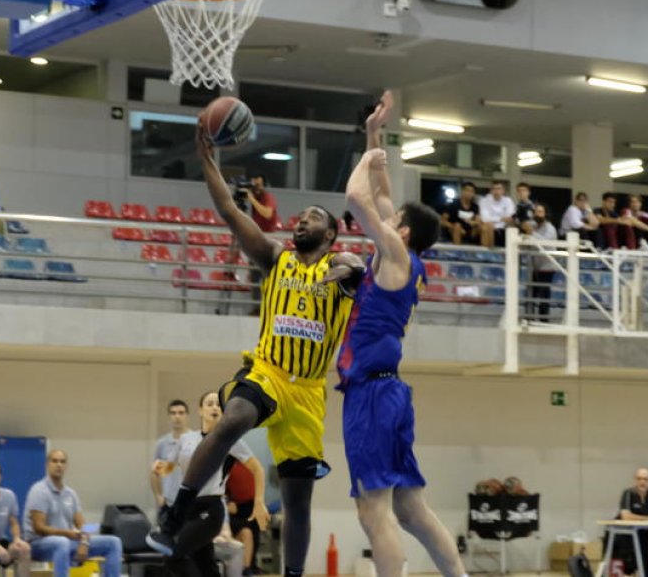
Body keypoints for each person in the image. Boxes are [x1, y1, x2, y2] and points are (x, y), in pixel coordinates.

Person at [146, 108, 361, 577]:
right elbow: (228, 209)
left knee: (299, 499)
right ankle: (175, 512)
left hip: (306, 392)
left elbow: (356, 268)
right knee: (233, 419)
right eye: (300, 216)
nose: (301, 221)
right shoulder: (274, 256)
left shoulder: (341, 269)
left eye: (312, 218)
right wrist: (208, 160)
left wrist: (348, 267)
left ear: (329, 233)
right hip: (267, 371)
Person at [335, 89, 465, 577]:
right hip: (390, 392)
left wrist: (365, 154)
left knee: (374, 512)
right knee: (412, 510)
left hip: (371, 393)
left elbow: (356, 196)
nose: (387, 215)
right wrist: (374, 132)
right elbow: (383, 188)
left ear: (403, 231)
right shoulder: (403, 256)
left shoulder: (392, 252)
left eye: (395, 219)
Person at [152, 392, 268, 577]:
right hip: (186, 508)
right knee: (206, 567)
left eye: (218, 404)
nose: (214, 407)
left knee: (173, 556)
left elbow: (258, 469)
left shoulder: (230, 441)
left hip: (211, 509)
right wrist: (161, 467)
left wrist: (259, 501)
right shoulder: (186, 439)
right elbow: (170, 467)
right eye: (209, 403)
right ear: (200, 410)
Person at [24, 450, 123, 577]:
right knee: (62, 543)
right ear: (47, 464)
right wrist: (67, 533)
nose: (59, 465)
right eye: (54, 461)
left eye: (62, 462)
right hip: (39, 544)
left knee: (113, 542)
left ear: (66, 466)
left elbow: (83, 525)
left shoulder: (70, 494)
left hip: (66, 542)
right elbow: (39, 528)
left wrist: (84, 542)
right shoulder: (39, 491)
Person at [614, 468, 648, 574]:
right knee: (642, 548)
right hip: (631, 535)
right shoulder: (628, 493)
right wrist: (647, 518)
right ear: (635, 480)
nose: (642, 482)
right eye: (640, 479)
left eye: (645, 479)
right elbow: (625, 516)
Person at [152, 400, 191, 516]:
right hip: (168, 503)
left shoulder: (196, 441)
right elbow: (154, 473)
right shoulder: (162, 443)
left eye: (181, 413)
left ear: (187, 415)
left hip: (190, 502)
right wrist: (158, 496)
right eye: (173, 413)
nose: (177, 417)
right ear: (169, 417)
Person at [528, 204, 558, 321]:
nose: (538, 214)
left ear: (545, 214)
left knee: (544, 292)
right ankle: (529, 316)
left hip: (547, 265)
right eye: (536, 212)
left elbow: (545, 243)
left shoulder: (550, 228)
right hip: (535, 265)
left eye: (541, 212)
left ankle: (544, 318)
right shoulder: (533, 226)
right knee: (532, 291)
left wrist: (531, 233)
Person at [478, 180, 514, 247]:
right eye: (494, 189)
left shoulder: (508, 201)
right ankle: (489, 252)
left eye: (499, 189)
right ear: (491, 191)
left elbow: (509, 217)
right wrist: (501, 219)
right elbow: (484, 218)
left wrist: (493, 219)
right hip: (488, 227)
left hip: (503, 228)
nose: (496, 191)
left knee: (511, 225)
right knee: (488, 225)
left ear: (503, 191)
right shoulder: (484, 200)